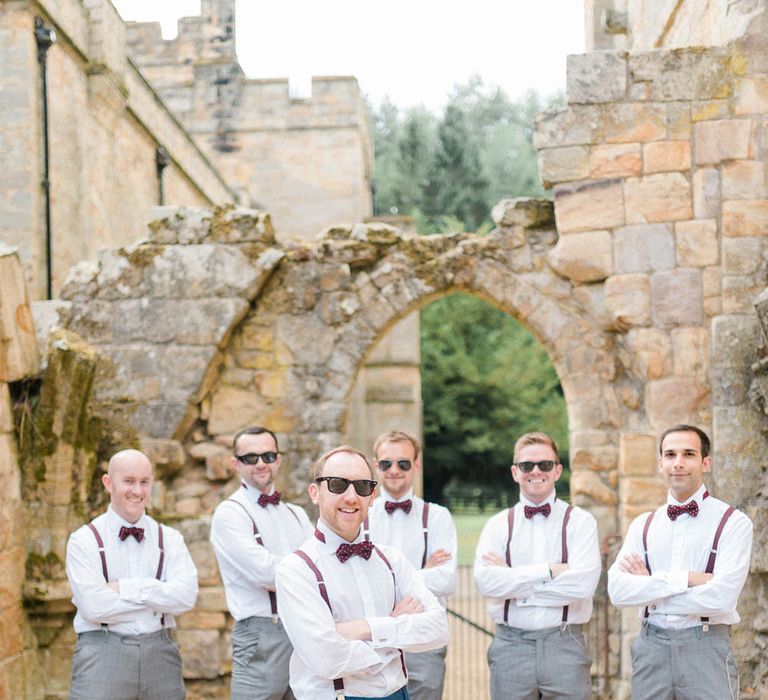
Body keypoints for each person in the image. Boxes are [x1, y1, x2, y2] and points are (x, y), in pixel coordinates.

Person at [276, 445, 449, 700]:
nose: (351, 497)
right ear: (315, 492)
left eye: (361, 486)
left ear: (372, 495)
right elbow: (326, 658)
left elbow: (438, 628)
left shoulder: (391, 559)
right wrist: (396, 630)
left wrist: (361, 629)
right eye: (337, 484)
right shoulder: (296, 569)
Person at [607, 424, 753, 700]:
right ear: (660, 463)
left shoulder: (733, 523)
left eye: (688, 454)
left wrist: (651, 591)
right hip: (651, 649)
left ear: (705, 462)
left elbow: (721, 597)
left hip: (706, 647)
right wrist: (687, 579)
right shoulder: (643, 525)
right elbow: (618, 591)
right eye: (670, 455)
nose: (678, 463)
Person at [474, 432, 600, 700]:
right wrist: (550, 572)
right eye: (526, 465)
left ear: (557, 470)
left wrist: (513, 582)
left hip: (565, 643)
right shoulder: (498, 524)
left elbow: (581, 586)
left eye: (544, 465)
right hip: (510, 646)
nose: (535, 471)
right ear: (515, 472)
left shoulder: (581, 522)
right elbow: (486, 583)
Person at [65, 449, 198, 700]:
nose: (137, 491)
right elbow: (94, 607)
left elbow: (186, 597)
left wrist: (126, 588)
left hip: (161, 655)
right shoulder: (84, 540)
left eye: (144, 482)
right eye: (128, 481)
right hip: (102, 654)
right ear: (108, 483)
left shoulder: (170, 538)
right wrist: (159, 601)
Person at [210, 426, 312, 700]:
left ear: (278, 460)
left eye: (267, 456)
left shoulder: (297, 514)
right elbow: (266, 573)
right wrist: (306, 573)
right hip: (261, 634)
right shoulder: (229, 514)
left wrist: (302, 573)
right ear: (235, 464)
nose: (260, 464)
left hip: (304, 630)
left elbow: (323, 566)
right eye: (250, 458)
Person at [365, 430, 457, 700]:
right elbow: (353, 578)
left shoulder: (437, 516)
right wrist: (422, 573)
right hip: (375, 639)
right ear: (375, 466)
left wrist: (383, 579)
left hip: (424, 639)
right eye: (386, 463)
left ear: (417, 465)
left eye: (403, 463)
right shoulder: (361, 516)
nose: (394, 470)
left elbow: (446, 581)